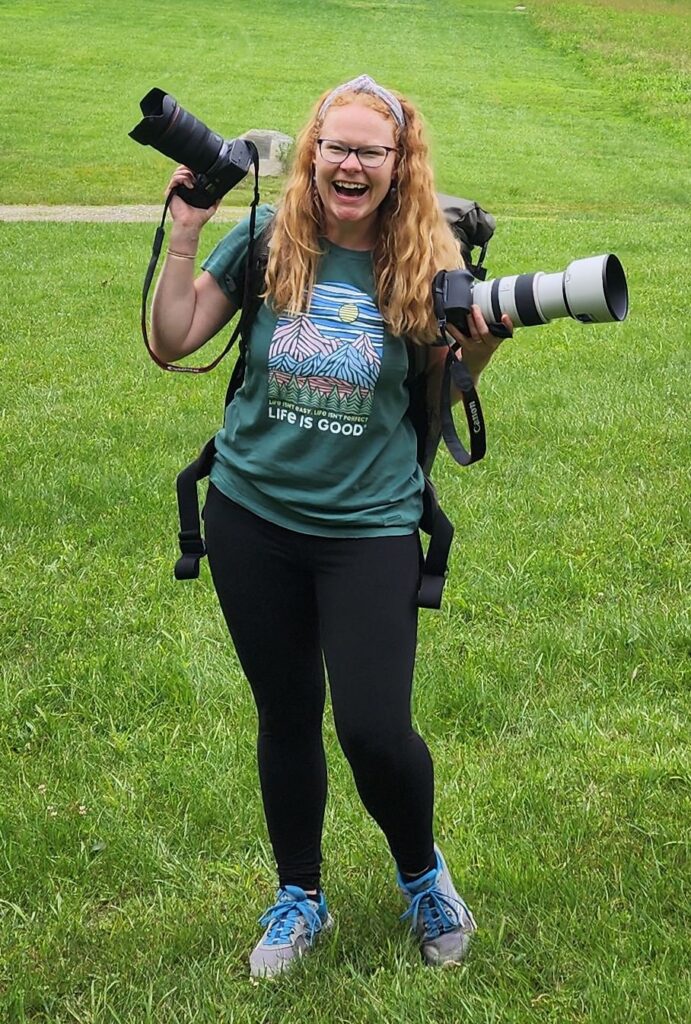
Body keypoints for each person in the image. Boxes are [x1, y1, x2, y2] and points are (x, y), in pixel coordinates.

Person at [150, 74, 512, 978]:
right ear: (312, 153)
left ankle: (423, 874)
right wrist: (188, 228)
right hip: (251, 517)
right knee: (285, 715)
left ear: (399, 164)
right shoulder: (270, 239)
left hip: (368, 528)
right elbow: (173, 338)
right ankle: (298, 894)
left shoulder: (424, 260)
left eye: (370, 151)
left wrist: (486, 332)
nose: (349, 164)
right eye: (334, 147)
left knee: (374, 728)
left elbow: (443, 393)